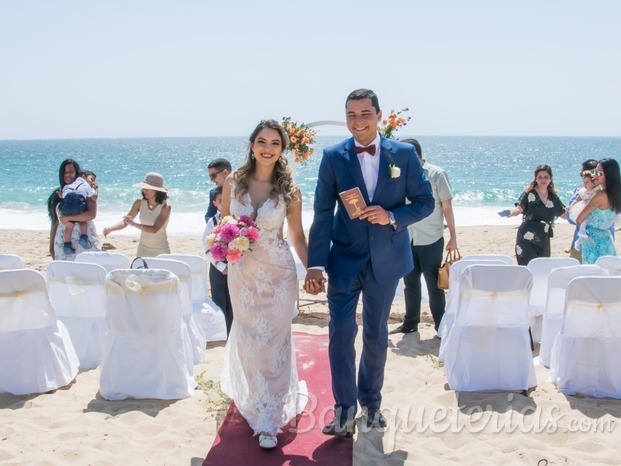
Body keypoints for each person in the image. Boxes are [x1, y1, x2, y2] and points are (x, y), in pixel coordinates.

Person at [304, 89, 434, 437]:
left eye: (364, 114)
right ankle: (344, 408)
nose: (357, 121)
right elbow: (320, 212)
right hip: (343, 259)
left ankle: (371, 403)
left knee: (376, 335)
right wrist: (315, 263)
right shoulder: (333, 156)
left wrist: (392, 216)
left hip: (387, 260)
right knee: (341, 332)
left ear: (378, 115)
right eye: (351, 114)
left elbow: (425, 202)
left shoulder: (404, 154)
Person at [219, 119, 309, 449]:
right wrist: (224, 249)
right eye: (261, 141)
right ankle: (256, 399)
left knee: (274, 339)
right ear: (252, 145)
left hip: (278, 273)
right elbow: (224, 223)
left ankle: (269, 417)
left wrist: (312, 267)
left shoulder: (290, 190)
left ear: (282, 148)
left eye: (274, 142)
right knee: (248, 338)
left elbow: (297, 236)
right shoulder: (234, 181)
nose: (267, 148)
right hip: (242, 273)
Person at [390, 138, 457, 336]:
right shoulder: (397, 174)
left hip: (431, 239)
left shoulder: (437, 174)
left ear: (415, 155)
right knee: (410, 284)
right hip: (406, 238)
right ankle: (410, 323)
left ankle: (441, 327)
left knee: (434, 285)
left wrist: (453, 237)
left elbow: (447, 207)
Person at [500, 164, 565, 265]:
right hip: (526, 237)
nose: (543, 179)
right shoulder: (529, 193)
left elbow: (564, 213)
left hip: (544, 237)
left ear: (550, 179)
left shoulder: (553, 197)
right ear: (536, 179)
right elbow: (519, 208)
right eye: (540, 177)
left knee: (542, 268)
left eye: (546, 177)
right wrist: (511, 213)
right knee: (527, 268)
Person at [103, 172, 171, 257]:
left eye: (148, 188)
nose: (144, 190)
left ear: (157, 190)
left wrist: (134, 224)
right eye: (144, 188)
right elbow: (126, 222)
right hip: (143, 249)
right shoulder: (139, 202)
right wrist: (111, 228)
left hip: (161, 250)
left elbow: (155, 229)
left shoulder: (166, 206)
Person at [47, 159, 101, 260]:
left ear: (77, 173)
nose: (68, 175)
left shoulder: (85, 192)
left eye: (71, 172)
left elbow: (91, 215)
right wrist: (51, 247)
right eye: (65, 172)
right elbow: (55, 222)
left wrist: (67, 218)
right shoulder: (59, 194)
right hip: (63, 243)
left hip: (84, 240)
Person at [576, 158, 621, 264]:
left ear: (609, 175)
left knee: (592, 276)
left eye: (598, 172)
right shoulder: (616, 195)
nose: (594, 175)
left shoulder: (600, 195)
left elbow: (579, 219)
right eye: (594, 171)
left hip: (592, 241)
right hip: (606, 239)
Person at [202, 186, 233, 336]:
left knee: (233, 302)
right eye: (221, 201)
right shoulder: (212, 222)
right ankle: (222, 333)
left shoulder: (236, 220)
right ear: (215, 203)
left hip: (235, 266)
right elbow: (206, 247)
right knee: (220, 301)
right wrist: (221, 266)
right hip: (217, 268)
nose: (224, 203)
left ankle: (233, 333)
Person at [565, 159, 599, 262]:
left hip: (582, 244)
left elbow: (570, 218)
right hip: (603, 242)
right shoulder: (607, 193)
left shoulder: (583, 192)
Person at [59, 173, 98, 255]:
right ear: (84, 176)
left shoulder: (69, 185)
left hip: (66, 209)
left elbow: (61, 195)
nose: (92, 182)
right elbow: (94, 197)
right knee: (83, 220)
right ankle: (83, 237)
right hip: (78, 208)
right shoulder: (85, 185)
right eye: (92, 180)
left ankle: (67, 244)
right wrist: (96, 189)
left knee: (69, 226)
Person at [205, 158, 232, 223]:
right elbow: (209, 215)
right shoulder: (213, 193)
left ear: (225, 172)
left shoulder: (243, 189)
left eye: (213, 176)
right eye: (210, 177)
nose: (211, 180)